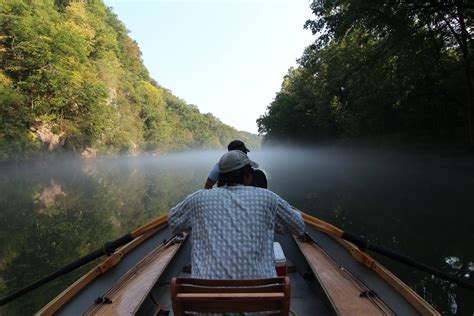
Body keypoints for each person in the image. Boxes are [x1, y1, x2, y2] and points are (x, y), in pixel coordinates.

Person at [168, 150, 304, 279]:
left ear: (220, 177)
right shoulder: (268, 198)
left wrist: (197, 224)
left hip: (206, 297)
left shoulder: (197, 199)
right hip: (260, 296)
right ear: (247, 176)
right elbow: (298, 227)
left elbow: (173, 222)